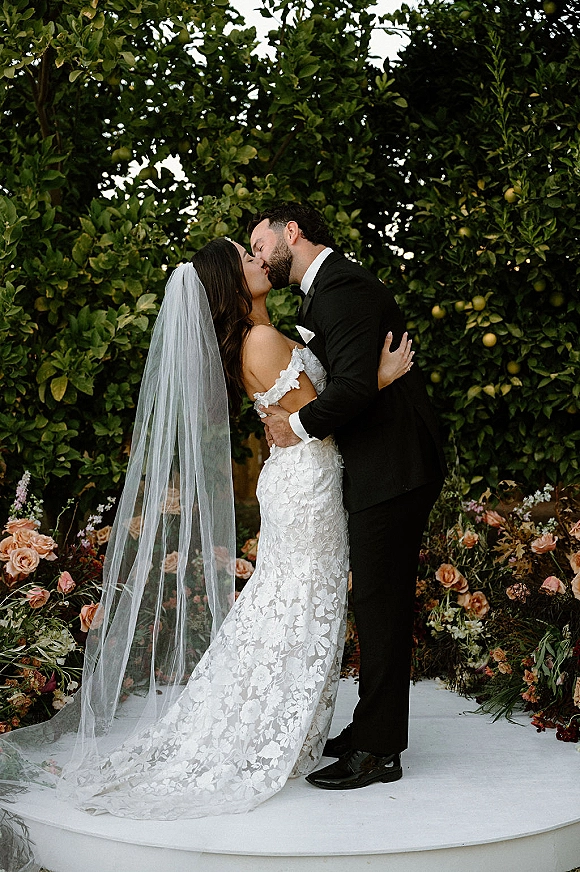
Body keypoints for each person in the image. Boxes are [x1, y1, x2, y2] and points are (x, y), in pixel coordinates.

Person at [0, 238, 411, 820]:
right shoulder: (263, 340)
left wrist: (314, 408)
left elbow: (304, 414)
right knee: (296, 604)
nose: (257, 259)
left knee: (292, 602)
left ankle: (292, 722)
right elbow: (327, 416)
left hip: (305, 477)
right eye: (246, 257)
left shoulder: (267, 333)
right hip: (307, 483)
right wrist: (383, 378)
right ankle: (261, 727)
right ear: (231, 283)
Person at [249, 204, 447, 791]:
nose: (259, 257)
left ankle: (380, 751)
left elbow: (356, 387)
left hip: (395, 467)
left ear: (292, 233)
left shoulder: (343, 288)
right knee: (374, 603)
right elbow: (358, 379)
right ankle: (368, 728)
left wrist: (297, 426)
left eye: (260, 244)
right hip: (379, 463)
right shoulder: (325, 291)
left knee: (381, 607)